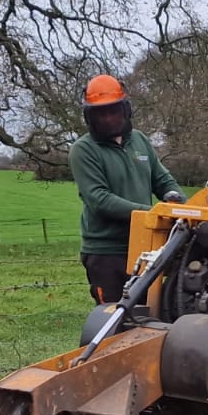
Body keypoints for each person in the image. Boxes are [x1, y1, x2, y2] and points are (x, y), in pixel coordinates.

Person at [70, 73, 185, 305]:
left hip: (146, 247)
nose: (108, 118)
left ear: (125, 109)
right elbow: (99, 200)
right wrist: (153, 214)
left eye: (113, 111)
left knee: (150, 313)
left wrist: (181, 206)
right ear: (89, 117)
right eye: (101, 113)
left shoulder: (139, 141)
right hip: (107, 252)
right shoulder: (83, 150)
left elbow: (163, 180)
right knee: (113, 316)